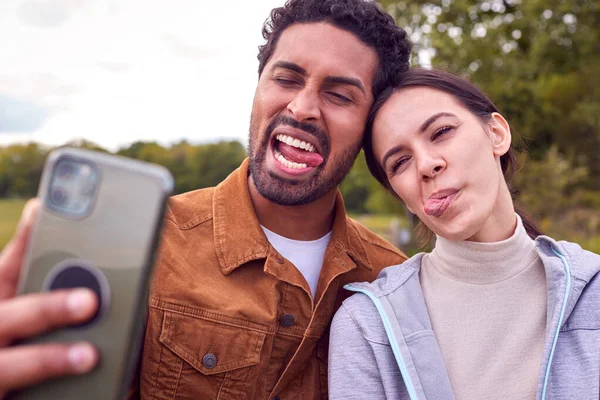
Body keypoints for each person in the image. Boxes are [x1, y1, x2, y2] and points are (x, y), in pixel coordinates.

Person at [0, 1, 412, 398]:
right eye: (286, 79)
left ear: (370, 125)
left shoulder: (395, 282)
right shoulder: (147, 248)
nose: (302, 108)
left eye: (339, 96)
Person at [328, 68, 600, 400]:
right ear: (402, 198)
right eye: (400, 163)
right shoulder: (366, 327)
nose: (426, 165)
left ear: (497, 133)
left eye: (441, 131)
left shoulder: (592, 290)